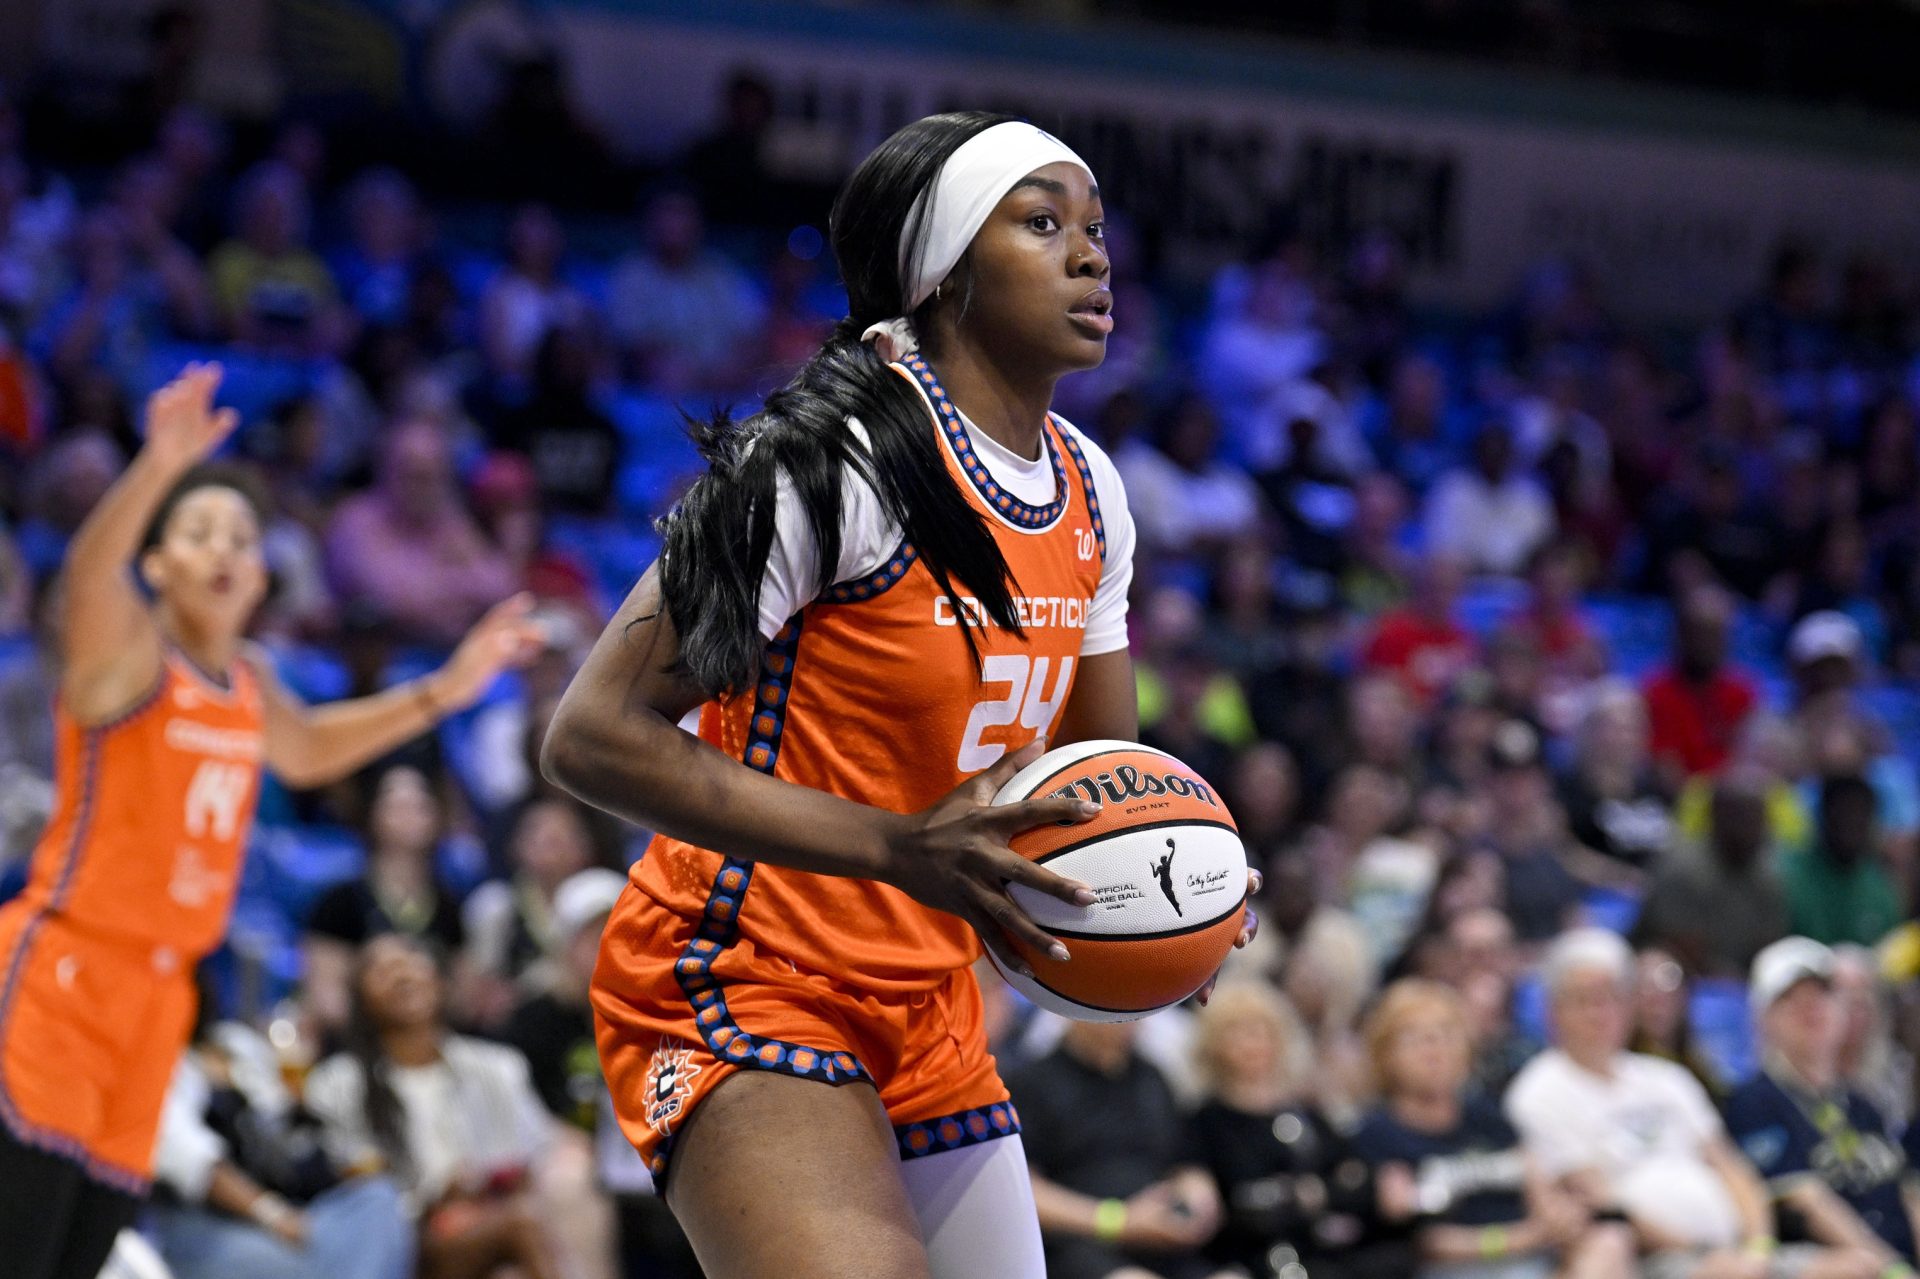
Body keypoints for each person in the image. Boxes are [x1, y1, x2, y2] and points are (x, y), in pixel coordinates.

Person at [540, 113, 1255, 1279]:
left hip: (929, 1002)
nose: (1093, 256)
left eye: (1095, 227)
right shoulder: (822, 463)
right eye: (1041, 225)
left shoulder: (1093, 490)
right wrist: (891, 843)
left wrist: (1179, 888)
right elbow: (592, 736)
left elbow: (1092, 792)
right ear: (945, 273)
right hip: (745, 968)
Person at [0, 364, 541, 1279]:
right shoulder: (125, 663)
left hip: (160, 1001)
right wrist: (155, 468)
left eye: (241, 536)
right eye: (197, 531)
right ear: (160, 564)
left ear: (263, 573)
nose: (222, 548)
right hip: (64, 972)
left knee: (82, 1257)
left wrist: (447, 688)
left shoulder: (250, 684)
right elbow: (92, 580)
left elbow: (312, 748)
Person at [1506, 928, 1873, 1279]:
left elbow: (1731, 1167)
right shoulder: (1540, 1090)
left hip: (1734, 1249)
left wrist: (1758, 1246)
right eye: (1585, 999)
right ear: (1553, 1012)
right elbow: (1602, 1202)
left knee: (1859, 1269)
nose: (1600, 1012)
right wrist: (1707, 1256)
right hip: (1652, 1257)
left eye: (1612, 996)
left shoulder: (1667, 1077)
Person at [304, 934, 564, 1279]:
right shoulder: (337, 1085)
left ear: (440, 980)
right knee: (521, 1227)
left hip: (488, 1221)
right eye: (381, 970)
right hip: (402, 1241)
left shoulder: (498, 1067)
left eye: (412, 960)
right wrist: (435, 1199)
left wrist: (480, 1192)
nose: (402, 974)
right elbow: (357, 1188)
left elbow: (533, 1161)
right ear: (360, 1001)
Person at [1354, 979, 1634, 1279]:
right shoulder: (1378, 1133)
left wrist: (1560, 1218)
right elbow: (1422, 1241)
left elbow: (1537, 1185)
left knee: (1609, 1242)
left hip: (1534, 1261)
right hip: (1456, 1270)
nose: (1434, 1050)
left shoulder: (1487, 1116)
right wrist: (1518, 1239)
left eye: (1446, 1034)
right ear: (1385, 1054)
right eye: (1416, 1038)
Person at [1724, 938, 1919, 1269]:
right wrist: (1891, 1269)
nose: (1811, 1007)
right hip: (1837, 1263)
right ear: (1763, 1019)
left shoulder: (1861, 1104)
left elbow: (1908, 1193)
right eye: (1791, 998)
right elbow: (1806, 1201)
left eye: (1823, 994)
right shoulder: (1754, 1102)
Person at [1189, 983, 1394, 1279]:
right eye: (1237, 1032)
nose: (1252, 1043)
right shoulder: (1206, 1122)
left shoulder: (1305, 1112)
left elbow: (1361, 1185)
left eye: (1261, 1030)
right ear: (1214, 1045)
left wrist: (1301, 1198)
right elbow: (1241, 1213)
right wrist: (1315, 1194)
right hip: (1245, 1262)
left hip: (1320, 1253)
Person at [1012, 1019, 1230, 1279]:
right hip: (1077, 1246)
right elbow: (1022, 1188)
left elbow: (1183, 1160)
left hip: (1162, 1242)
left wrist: (1197, 1193)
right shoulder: (1033, 1082)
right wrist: (1116, 1221)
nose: (1129, 1020)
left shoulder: (1152, 1075)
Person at [1636, 767, 1791, 979]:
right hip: (1675, 975)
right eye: (1743, 818)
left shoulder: (1768, 873)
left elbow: (1769, 944)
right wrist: (1733, 981)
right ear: (1717, 816)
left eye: (1758, 819)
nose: (1753, 828)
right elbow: (1679, 945)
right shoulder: (1682, 867)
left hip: (1741, 980)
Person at [1783, 774, 1903, 949]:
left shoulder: (1882, 888)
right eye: (1843, 811)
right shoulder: (1787, 876)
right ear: (1823, 815)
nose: (1852, 821)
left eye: (1861, 813)